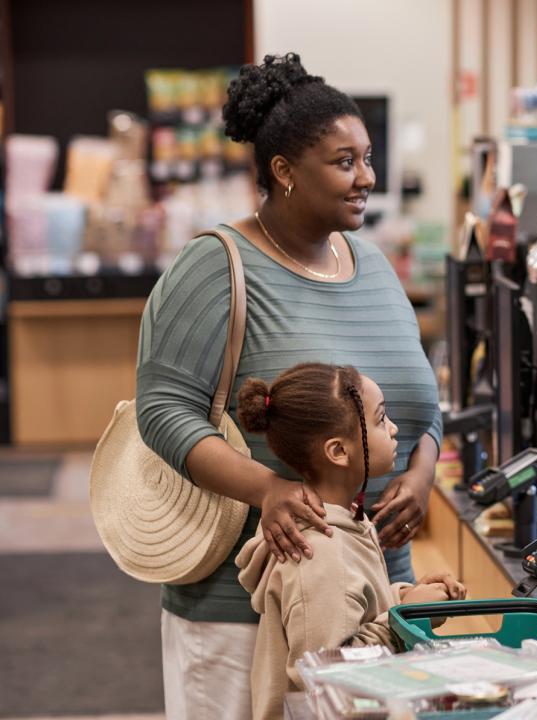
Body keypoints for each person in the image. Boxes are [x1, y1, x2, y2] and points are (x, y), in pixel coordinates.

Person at [136, 53, 442, 719]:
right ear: (283, 170)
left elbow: (423, 407)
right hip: (242, 613)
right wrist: (267, 487)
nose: (367, 177)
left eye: (367, 157)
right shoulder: (215, 266)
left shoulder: (375, 267)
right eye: (344, 161)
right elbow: (162, 411)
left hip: (378, 596)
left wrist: (421, 476)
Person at [233, 363, 466, 720]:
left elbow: (352, 613)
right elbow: (330, 678)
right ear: (339, 451)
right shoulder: (322, 553)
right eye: (381, 419)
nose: (394, 428)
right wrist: (405, 619)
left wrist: (409, 598)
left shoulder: (346, 525)